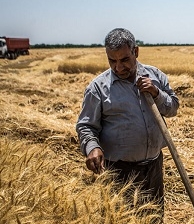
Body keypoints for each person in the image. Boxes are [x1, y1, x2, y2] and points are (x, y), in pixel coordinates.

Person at [76, 28, 179, 213]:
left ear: (136, 51)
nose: (118, 67)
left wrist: (156, 93)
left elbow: (173, 109)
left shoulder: (155, 76)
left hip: (154, 166)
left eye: (124, 60)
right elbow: (86, 126)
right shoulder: (97, 88)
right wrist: (92, 147)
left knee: (154, 220)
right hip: (119, 172)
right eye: (112, 61)